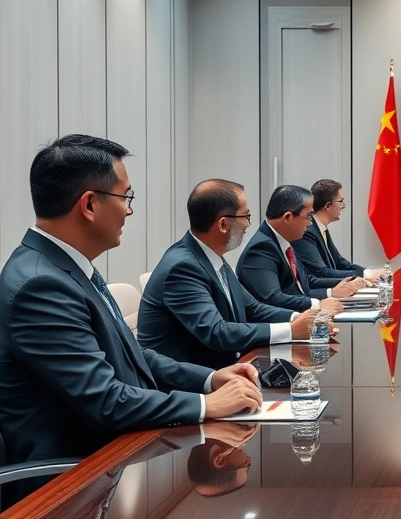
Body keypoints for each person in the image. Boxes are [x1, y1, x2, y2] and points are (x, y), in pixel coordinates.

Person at [0, 136, 262, 508]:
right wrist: (207, 405)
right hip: (68, 486)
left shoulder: (67, 268)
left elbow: (133, 355)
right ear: (89, 204)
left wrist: (209, 379)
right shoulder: (40, 286)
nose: (129, 211)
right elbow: (107, 401)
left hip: (116, 460)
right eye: (127, 198)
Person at [138, 180, 340, 369]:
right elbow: (217, 332)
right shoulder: (182, 267)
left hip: (228, 367)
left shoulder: (211, 256)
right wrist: (291, 330)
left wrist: (306, 320)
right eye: (246, 216)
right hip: (192, 383)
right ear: (223, 224)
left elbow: (253, 308)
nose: (248, 225)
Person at [237, 185, 364, 312]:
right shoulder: (260, 250)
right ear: (288, 217)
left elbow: (304, 281)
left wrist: (333, 291)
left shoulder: (284, 240)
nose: (310, 223)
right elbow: (273, 298)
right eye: (308, 216)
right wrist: (318, 304)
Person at [292, 179, 385, 287]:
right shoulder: (307, 231)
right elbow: (321, 273)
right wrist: (364, 275)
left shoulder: (321, 228)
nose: (343, 206)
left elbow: (339, 262)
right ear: (327, 206)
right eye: (340, 201)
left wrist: (368, 272)